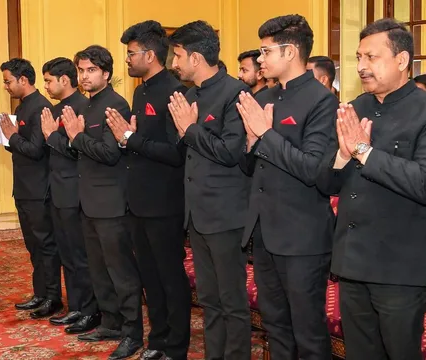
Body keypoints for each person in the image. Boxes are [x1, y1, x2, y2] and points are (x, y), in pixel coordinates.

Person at [316, 19, 426, 360]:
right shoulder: (356, 107)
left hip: (400, 267)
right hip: (352, 260)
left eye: (371, 57)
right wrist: (344, 155)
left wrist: (364, 151)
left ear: (402, 60)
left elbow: (425, 184)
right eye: (359, 57)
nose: (361, 66)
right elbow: (327, 183)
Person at [237, 14, 338, 360]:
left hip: (302, 236)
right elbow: (251, 167)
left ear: (291, 51)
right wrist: (251, 142)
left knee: (308, 331)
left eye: (265, 52)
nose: (260, 60)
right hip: (265, 231)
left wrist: (265, 135)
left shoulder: (321, 100)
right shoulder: (265, 97)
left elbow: (313, 169)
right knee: (275, 325)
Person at [106, 20, 191, 360]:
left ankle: (177, 346)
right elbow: (138, 144)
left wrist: (131, 139)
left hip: (165, 202)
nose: (126, 59)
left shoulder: (175, 91)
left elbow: (176, 152)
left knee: (170, 277)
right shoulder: (140, 91)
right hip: (138, 199)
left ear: (151, 54)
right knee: (149, 277)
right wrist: (129, 140)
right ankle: (157, 339)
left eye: (131, 53)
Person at [167, 20, 252, 360]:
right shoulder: (189, 94)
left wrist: (189, 129)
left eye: (177, 56)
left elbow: (231, 152)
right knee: (209, 300)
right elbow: (184, 150)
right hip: (197, 213)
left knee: (232, 301)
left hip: (226, 215)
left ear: (196, 58)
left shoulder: (235, 93)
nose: (174, 63)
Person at [61, 45, 144, 360]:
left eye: (91, 70)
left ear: (106, 73)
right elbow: (80, 150)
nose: (84, 76)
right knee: (98, 270)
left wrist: (77, 137)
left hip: (111, 203)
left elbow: (111, 153)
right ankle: (110, 322)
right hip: (88, 201)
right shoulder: (87, 104)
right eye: (81, 70)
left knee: (121, 272)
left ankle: (132, 333)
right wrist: (72, 139)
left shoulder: (115, 105)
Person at [0, 58, 63, 319]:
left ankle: (53, 297)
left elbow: (37, 150)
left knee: (45, 244)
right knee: (33, 245)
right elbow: (19, 144)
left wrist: (12, 135)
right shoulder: (23, 106)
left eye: (7, 81)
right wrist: (9, 137)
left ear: (23, 79)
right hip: (24, 188)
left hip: (39, 189)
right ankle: (40, 293)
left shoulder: (40, 107)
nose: (6, 86)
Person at [40, 57, 99, 334]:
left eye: (49, 80)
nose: (47, 86)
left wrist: (52, 136)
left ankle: (90, 310)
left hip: (76, 192)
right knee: (67, 254)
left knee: (80, 256)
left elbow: (79, 150)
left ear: (65, 80)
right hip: (58, 190)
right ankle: (76, 306)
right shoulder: (57, 108)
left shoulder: (81, 107)